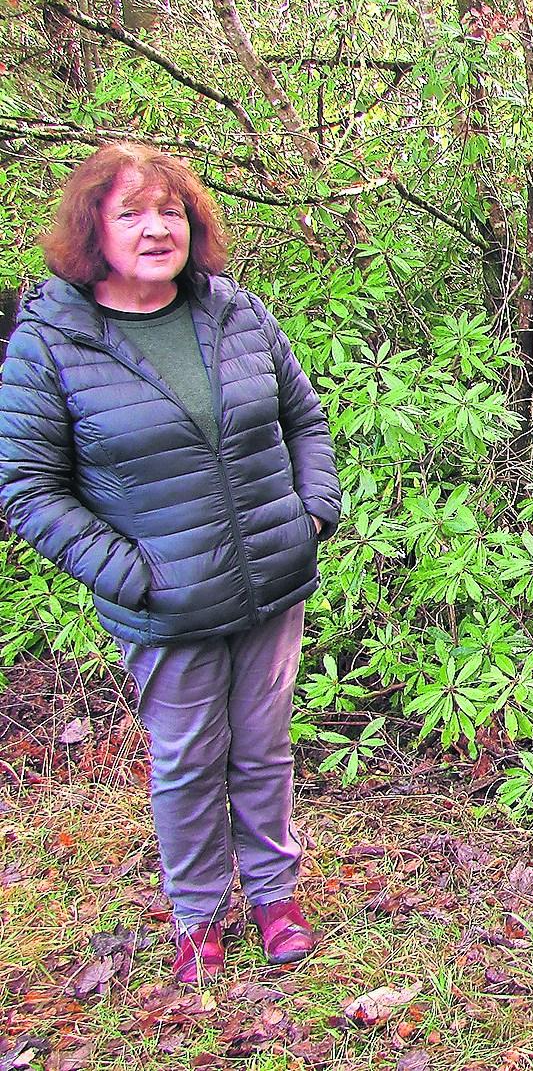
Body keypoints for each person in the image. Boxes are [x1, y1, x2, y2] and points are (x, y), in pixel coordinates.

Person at [0, 143, 341, 982]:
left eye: (171, 211)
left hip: (272, 577)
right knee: (188, 760)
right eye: (132, 213)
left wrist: (312, 513)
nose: (158, 229)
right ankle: (198, 915)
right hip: (164, 603)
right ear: (94, 232)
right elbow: (27, 488)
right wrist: (130, 573)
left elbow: (304, 419)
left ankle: (274, 894)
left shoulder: (237, 313)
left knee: (262, 750)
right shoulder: (51, 344)